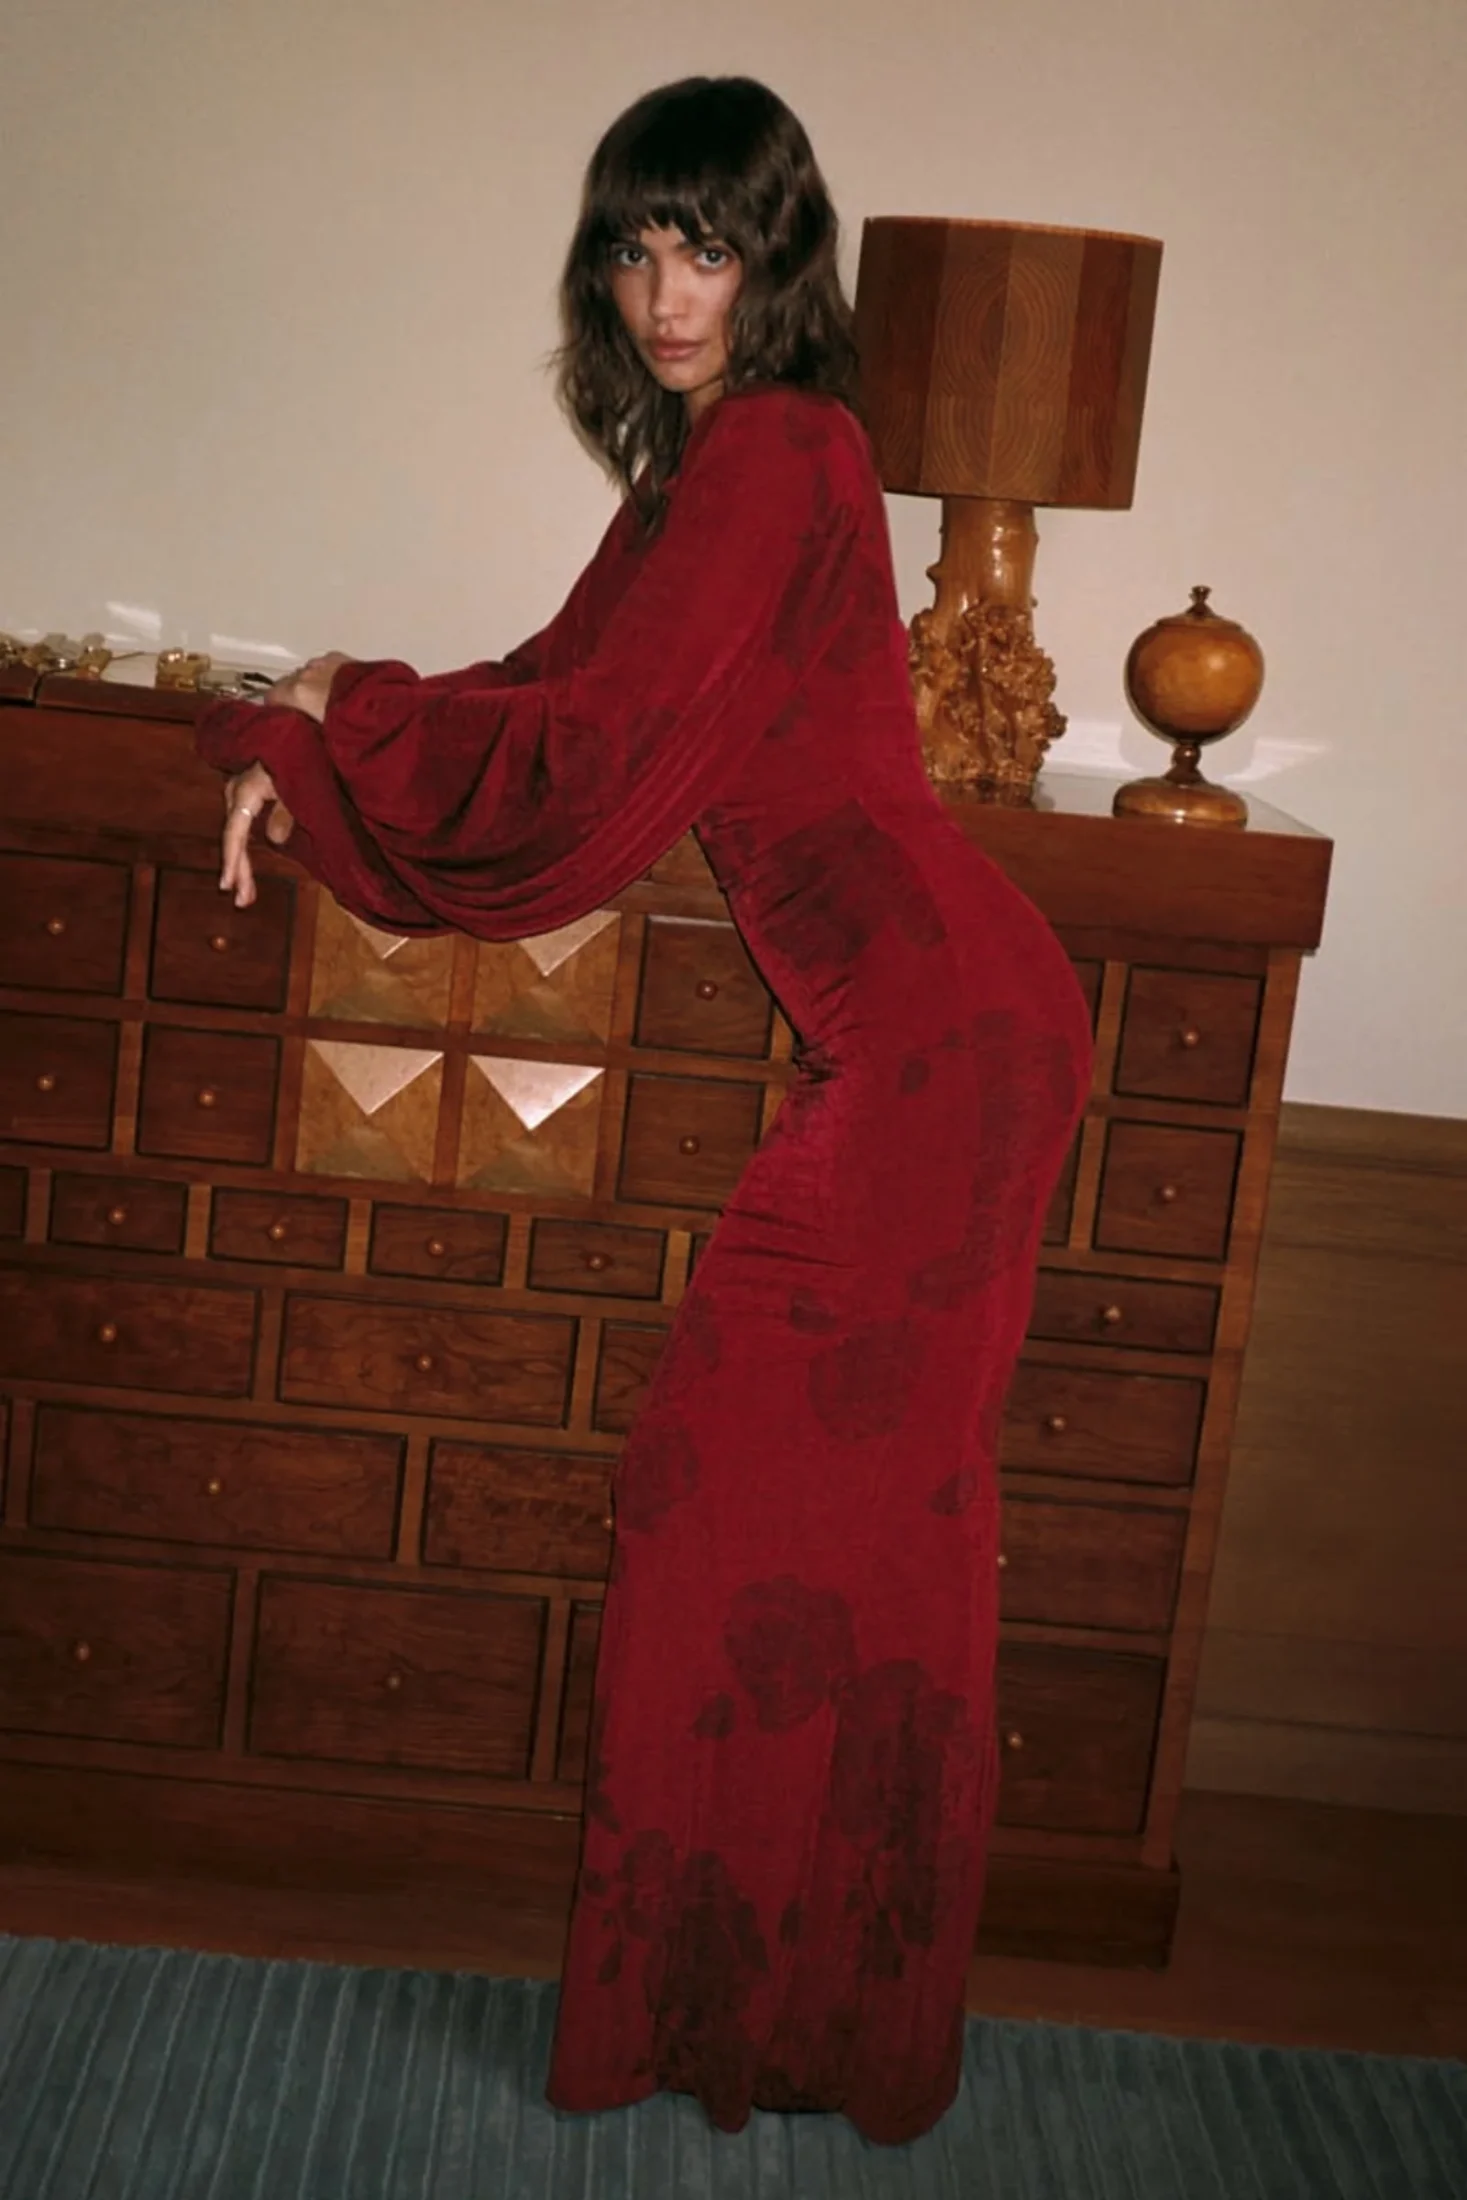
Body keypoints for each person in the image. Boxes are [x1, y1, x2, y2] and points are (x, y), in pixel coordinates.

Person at [198, 75, 1093, 2147]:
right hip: (937, 1042)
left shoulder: (785, 446)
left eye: (708, 245)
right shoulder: (711, 472)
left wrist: (334, 713)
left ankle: (768, 2013)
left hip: (937, 1051)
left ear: (779, 262)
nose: (666, 290)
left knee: (731, 1517)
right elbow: (553, 677)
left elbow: (590, 747)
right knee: (833, 1545)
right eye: (633, 247)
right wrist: (307, 725)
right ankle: (791, 2020)